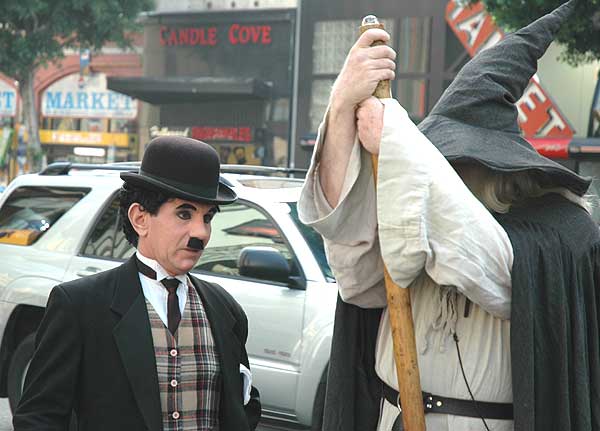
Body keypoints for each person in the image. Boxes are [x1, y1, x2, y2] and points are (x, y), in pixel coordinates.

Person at [299, 1, 600, 430]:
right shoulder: (418, 211)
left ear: (497, 169)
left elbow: (492, 268)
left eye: (455, 160)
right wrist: (342, 103)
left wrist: (399, 139)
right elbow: (355, 271)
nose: (444, 169)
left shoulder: (560, 231)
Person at [13, 136, 261, 431]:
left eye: (207, 217)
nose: (201, 233)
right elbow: (39, 417)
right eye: (184, 214)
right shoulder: (80, 305)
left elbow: (244, 405)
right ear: (140, 219)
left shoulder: (225, 309)